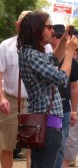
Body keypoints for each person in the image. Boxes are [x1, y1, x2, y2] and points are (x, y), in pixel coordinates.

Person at [0, 10, 53, 168]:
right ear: (18, 25)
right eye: (24, 23)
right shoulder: (7, 45)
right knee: (7, 145)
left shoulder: (45, 47)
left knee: (34, 144)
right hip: (11, 101)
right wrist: (1, 98)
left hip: (35, 101)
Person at [17, 10, 78, 167]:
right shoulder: (31, 55)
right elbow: (62, 78)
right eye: (48, 27)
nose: (52, 31)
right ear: (37, 29)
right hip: (46, 123)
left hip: (48, 122)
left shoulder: (33, 52)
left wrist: (64, 39)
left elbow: (53, 60)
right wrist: (70, 53)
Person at [50, 24, 78, 168]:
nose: (60, 39)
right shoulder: (45, 57)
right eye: (57, 36)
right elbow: (61, 79)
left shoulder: (71, 60)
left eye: (63, 37)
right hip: (47, 111)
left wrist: (73, 110)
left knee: (61, 148)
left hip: (64, 109)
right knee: (47, 150)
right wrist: (68, 51)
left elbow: (74, 86)